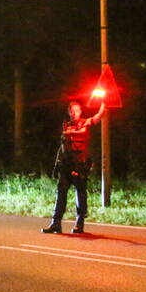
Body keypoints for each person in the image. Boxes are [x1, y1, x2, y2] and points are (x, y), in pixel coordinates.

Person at [43, 97, 106, 234]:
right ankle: (56, 223)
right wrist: (57, 164)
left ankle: (79, 223)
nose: (74, 113)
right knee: (61, 193)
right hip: (66, 165)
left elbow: (98, 116)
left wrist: (104, 102)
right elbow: (63, 146)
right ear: (69, 113)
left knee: (80, 193)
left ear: (80, 111)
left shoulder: (85, 123)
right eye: (72, 111)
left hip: (80, 164)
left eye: (77, 110)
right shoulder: (66, 125)